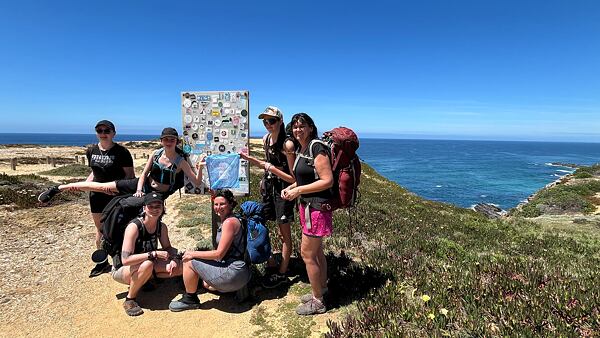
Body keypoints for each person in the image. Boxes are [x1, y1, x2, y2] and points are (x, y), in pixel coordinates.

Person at [38, 127, 204, 202]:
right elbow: (144, 174)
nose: (169, 142)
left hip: (158, 194)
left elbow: (196, 182)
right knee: (102, 186)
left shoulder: (180, 161)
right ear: (161, 141)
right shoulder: (155, 153)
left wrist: (201, 168)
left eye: (172, 139)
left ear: (177, 142)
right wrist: (139, 189)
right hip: (142, 186)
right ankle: (58, 189)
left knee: (139, 211)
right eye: (165, 139)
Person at [281, 113, 333, 315]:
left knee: (307, 254)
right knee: (317, 252)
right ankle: (322, 288)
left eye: (302, 126)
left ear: (311, 127)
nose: (297, 130)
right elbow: (305, 180)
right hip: (307, 207)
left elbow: (327, 180)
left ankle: (318, 301)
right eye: (294, 127)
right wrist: (292, 187)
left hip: (317, 209)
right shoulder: (303, 148)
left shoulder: (316, 148)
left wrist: (298, 191)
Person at [240, 106, 296, 288]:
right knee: (259, 222)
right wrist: (250, 160)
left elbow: (293, 178)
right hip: (269, 190)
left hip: (283, 192)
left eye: (271, 120)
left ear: (280, 121)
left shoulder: (287, 144)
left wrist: (272, 170)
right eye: (265, 121)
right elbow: (267, 165)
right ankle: (271, 261)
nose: (268, 124)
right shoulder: (265, 140)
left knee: (284, 233)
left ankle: (282, 272)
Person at [169, 189, 251, 312]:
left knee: (189, 261)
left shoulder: (229, 223)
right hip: (243, 272)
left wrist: (191, 253)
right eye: (216, 204)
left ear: (230, 204)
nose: (218, 207)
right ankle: (231, 290)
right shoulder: (236, 218)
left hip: (233, 273)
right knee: (206, 284)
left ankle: (190, 299)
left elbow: (218, 255)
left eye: (222, 204)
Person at [111, 192, 182, 316]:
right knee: (147, 264)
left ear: (163, 208)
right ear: (144, 208)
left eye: (158, 206)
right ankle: (130, 300)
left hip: (147, 263)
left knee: (179, 268)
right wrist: (153, 254)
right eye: (151, 206)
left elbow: (168, 248)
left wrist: (175, 259)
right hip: (122, 269)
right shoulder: (134, 227)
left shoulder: (161, 227)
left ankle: (145, 280)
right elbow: (125, 260)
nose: (155, 210)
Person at [80, 120, 135, 277]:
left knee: (117, 228)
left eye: (107, 130)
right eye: (100, 130)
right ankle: (102, 262)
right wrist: (86, 184)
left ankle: (121, 260)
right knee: (100, 230)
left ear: (113, 133)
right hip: (96, 196)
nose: (103, 133)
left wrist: (120, 191)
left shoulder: (121, 152)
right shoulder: (91, 151)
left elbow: (129, 176)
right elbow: (94, 172)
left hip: (115, 196)